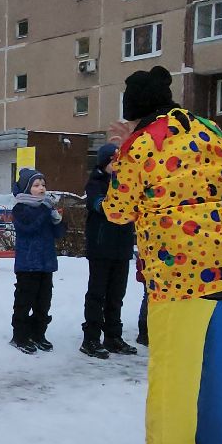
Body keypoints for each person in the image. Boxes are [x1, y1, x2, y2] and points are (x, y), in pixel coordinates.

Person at [105, 67, 222, 444]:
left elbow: (118, 210)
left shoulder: (142, 143)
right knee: (221, 368)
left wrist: (121, 159)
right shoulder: (210, 129)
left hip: (181, 274)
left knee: (174, 372)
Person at [81, 145, 140, 359]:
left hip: (121, 247)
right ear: (104, 164)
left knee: (116, 295)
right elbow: (99, 205)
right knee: (97, 294)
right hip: (101, 247)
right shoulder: (96, 183)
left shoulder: (130, 184)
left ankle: (113, 336)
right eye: (115, 163)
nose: (119, 168)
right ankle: (91, 338)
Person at [9, 168, 64, 354]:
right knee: (25, 299)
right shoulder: (20, 208)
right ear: (27, 189)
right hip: (27, 263)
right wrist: (46, 212)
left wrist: (57, 221)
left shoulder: (46, 207)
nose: (41, 188)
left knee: (44, 301)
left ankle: (38, 333)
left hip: (46, 262)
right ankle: (20, 335)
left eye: (43, 185)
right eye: (36, 185)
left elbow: (58, 234)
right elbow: (28, 228)